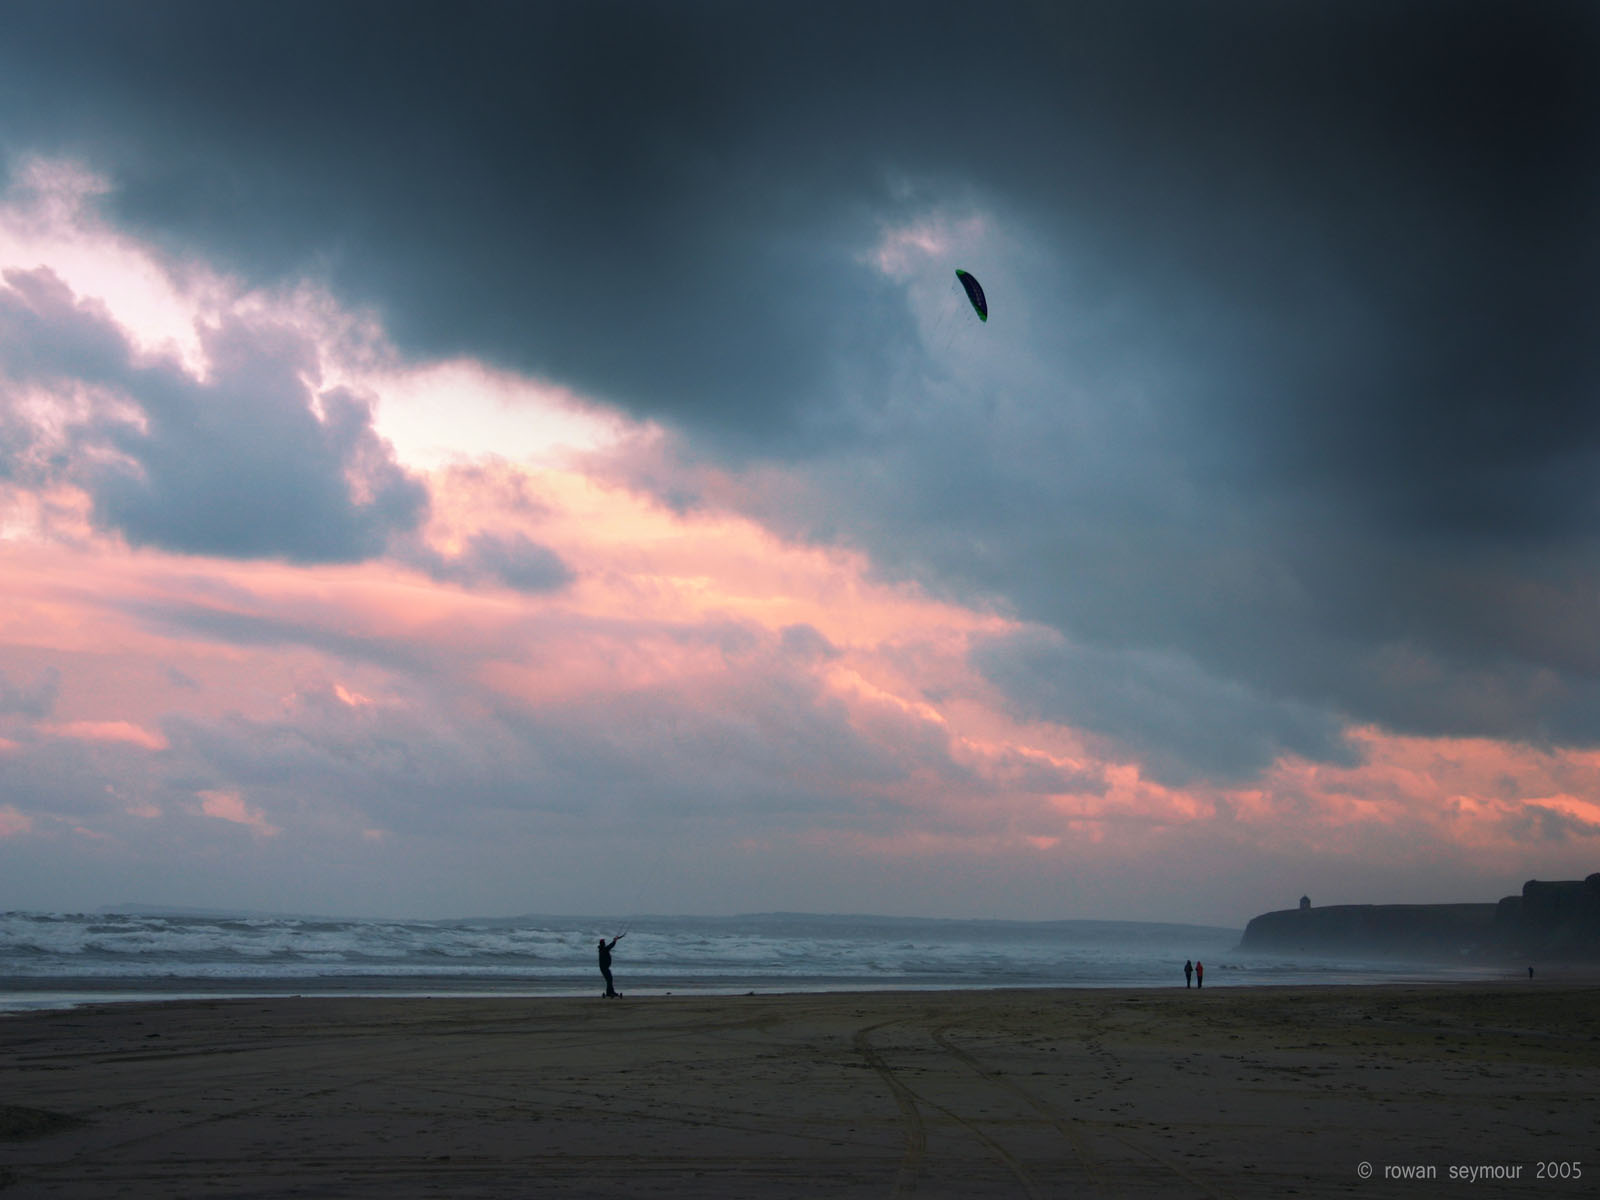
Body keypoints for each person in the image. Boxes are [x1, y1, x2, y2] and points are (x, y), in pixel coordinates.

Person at [598, 933, 625, 998]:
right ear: (603, 944)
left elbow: (609, 946)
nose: (604, 943)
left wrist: (614, 940)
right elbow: (610, 946)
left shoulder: (602, 949)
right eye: (604, 942)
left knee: (609, 979)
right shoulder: (604, 950)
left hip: (604, 968)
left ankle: (610, 992)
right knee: (609, 979)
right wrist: (615, 940)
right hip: (604, 968)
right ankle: (609, 993)